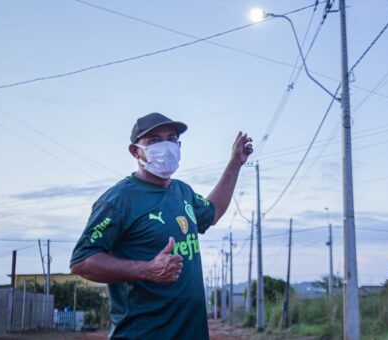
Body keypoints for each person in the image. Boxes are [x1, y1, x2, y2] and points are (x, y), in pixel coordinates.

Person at [70, 112, 253, 339]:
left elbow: (212, 212)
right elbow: (81, 261)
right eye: (155, 141)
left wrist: (235, 164)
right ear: (135, 151)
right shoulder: (119, 200)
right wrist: (146, 270)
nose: (166, 146)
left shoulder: (182, 192)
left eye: (171, 139)